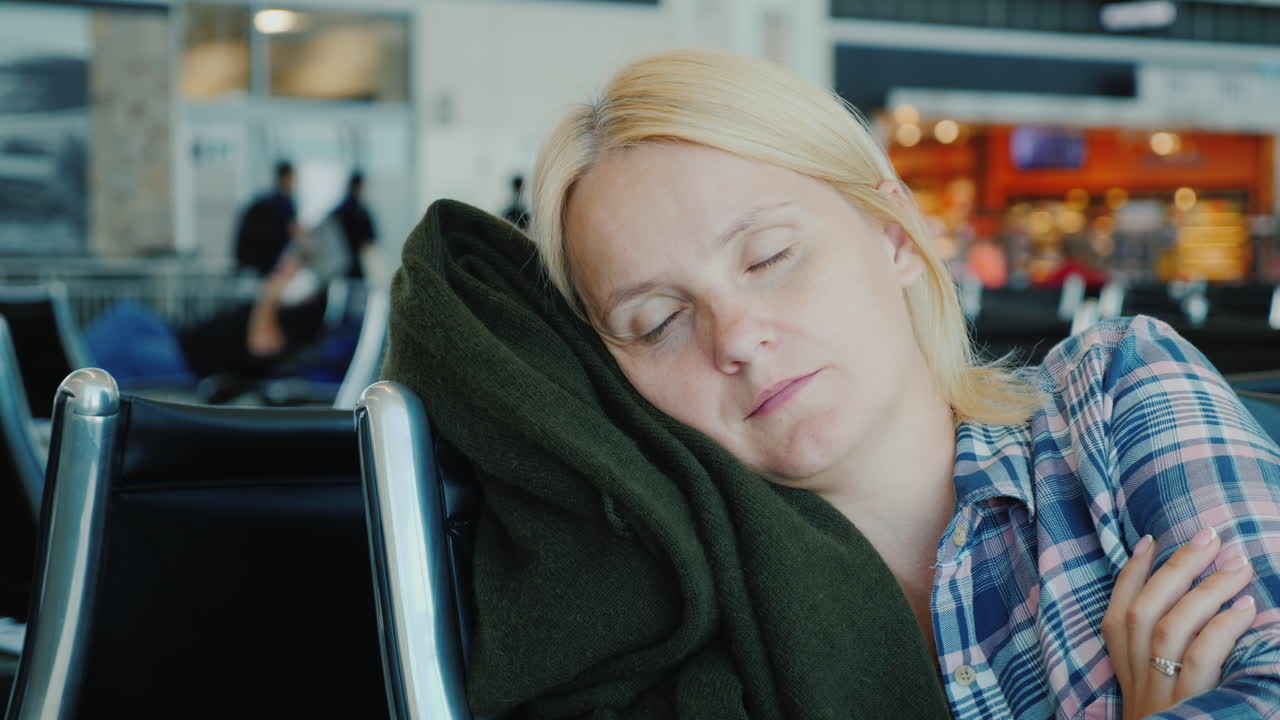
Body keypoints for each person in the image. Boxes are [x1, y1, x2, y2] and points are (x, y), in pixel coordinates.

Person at [514, 50, 1279, 718]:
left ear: (894, 234)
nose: (738, 338)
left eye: (769, 256)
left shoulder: (1111, 393)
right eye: (657, 322)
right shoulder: (673, 612)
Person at [235, 160, 299, 277]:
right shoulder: (284, 201)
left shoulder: (263, 200)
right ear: (288, 177)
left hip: (250, 259)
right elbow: (295, 232)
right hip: (267, 261)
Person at [329, 171, 378, 279]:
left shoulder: (338, 211)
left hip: (339, 264)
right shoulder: (361, 212)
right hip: (356, 263)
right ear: (360, 186)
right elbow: (371, 239)